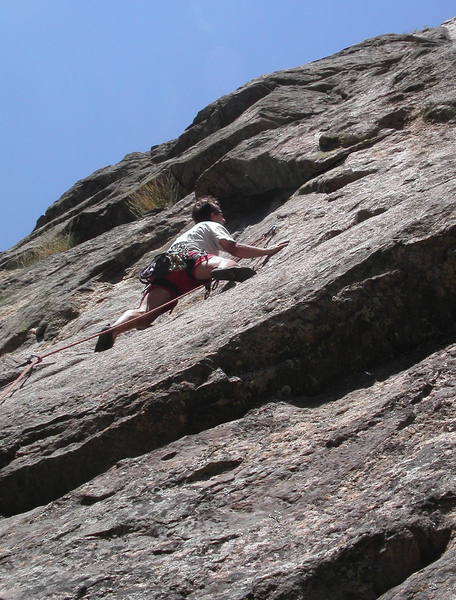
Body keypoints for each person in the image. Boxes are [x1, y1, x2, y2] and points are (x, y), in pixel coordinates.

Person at [94, 196, 288, 351]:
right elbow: (233, 247)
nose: (224, 218)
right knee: (227, 263)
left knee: (145, 313)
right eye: (221, 214)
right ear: (213, 214)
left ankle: (113, 330)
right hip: (189, 263)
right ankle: (222, 270)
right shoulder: (211, 225)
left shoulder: (187, 235)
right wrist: (267, 251)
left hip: (165, 269)